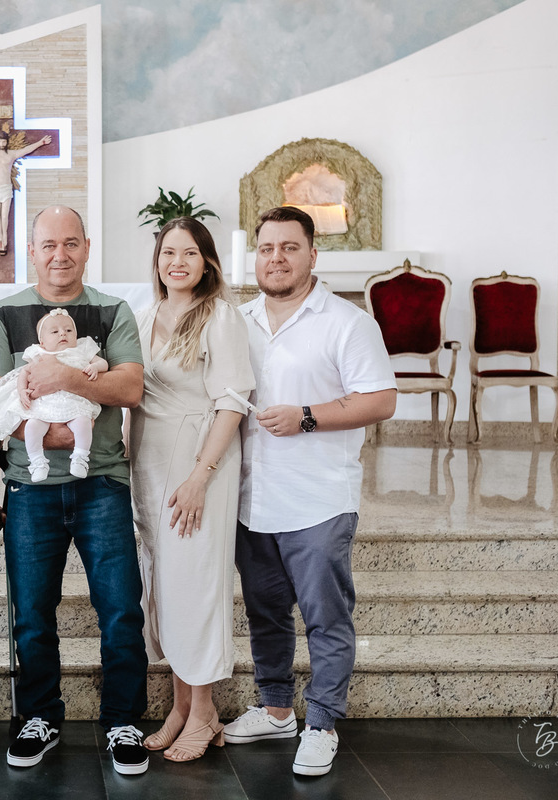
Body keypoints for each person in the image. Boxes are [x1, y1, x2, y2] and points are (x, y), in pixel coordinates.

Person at [222, 206, 396, 777]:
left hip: (320, 497)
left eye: (289, 247)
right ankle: (276, 711)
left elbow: (380, 400)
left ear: (312, 254)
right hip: (252, 499)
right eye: (267, 248)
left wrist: (307, 416)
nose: (276, 258)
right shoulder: (237, 320)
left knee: (325, 617)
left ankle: (321, 723)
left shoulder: (347, 322)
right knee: (266, 614)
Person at [0, 205, 151, 776]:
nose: (60, 254)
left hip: (102, 481)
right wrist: (57, 430)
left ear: (87, 246)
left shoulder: (111, 310)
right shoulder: (5, 315)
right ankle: (41, 716)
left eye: (71, 243)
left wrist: (65, 379)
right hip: (29, 488)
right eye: (49, 244)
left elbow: (129, 386)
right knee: (31, 612)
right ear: (32, 250)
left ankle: (124, 720)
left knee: (121, 607)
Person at [129, 218, 254, 762]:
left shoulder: (220, 317)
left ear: (207, 262)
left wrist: (202, 475)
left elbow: (232, 400)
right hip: (151, 459)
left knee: (195, 583)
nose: (176, 262)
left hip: (200, 461)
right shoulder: (145, 314)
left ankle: (204, 712)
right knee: (163, 582)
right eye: (167, 252)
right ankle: (181, 706)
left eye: (188, 253)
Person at [0, 307, 108, 481]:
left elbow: (102, 363)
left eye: (68, 330)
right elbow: (24, 372)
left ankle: (80, 458)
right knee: (32, 427)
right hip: (45, 403)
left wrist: (95, 367)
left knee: (83, 423)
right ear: (42, 342)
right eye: (55, 331)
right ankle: (37, 461)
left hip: (74, 401)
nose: (63, 334)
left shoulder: (82, 349)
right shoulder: (40, 353)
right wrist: (22, 390)